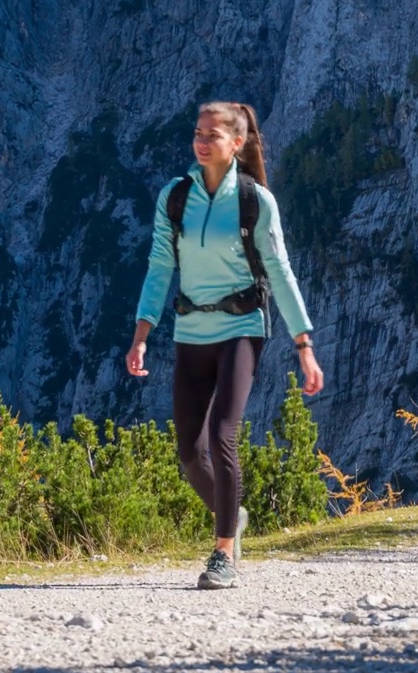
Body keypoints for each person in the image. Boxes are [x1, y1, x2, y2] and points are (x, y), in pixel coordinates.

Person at [125, 101, 323, 590]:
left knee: (222, 433)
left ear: (236, 143)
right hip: (190, 331)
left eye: (212, 134)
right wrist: (141, 336)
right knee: (190, 451)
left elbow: (279, 270)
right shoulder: (175, 196)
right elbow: (158, 266)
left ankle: (223, 555)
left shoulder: (256, 200)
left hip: (241, 329)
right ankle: (232, 514)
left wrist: (303, 344)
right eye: (197, 132)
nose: (201, 140)